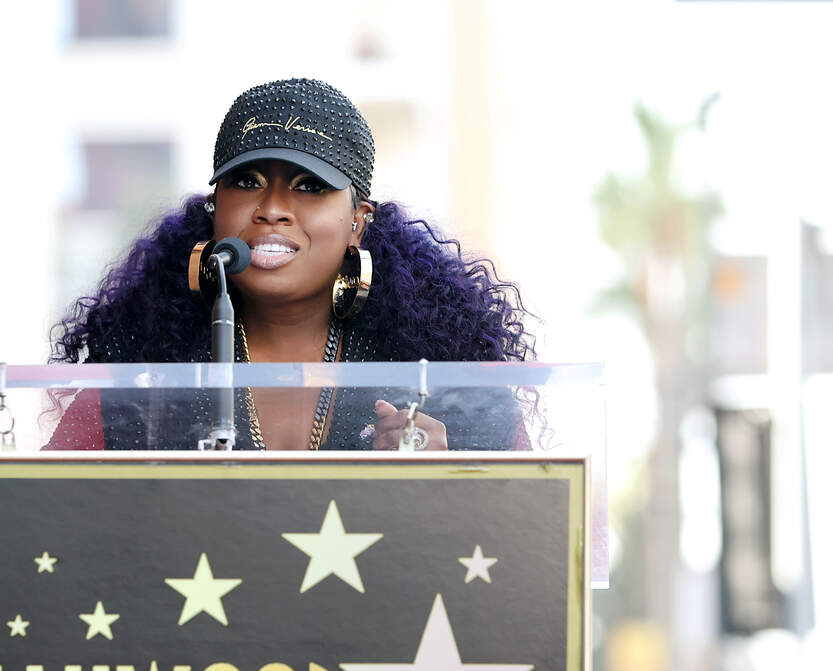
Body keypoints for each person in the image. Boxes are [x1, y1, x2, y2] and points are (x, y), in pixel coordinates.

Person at [45, 78, 535, 451]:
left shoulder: (445, 377)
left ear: (358, 222)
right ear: (215, 210)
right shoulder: (141, 373)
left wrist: (449, 486)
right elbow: (42, 519)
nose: (273, 208)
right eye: (247, 181)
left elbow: (528, 532)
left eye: (309, 186)